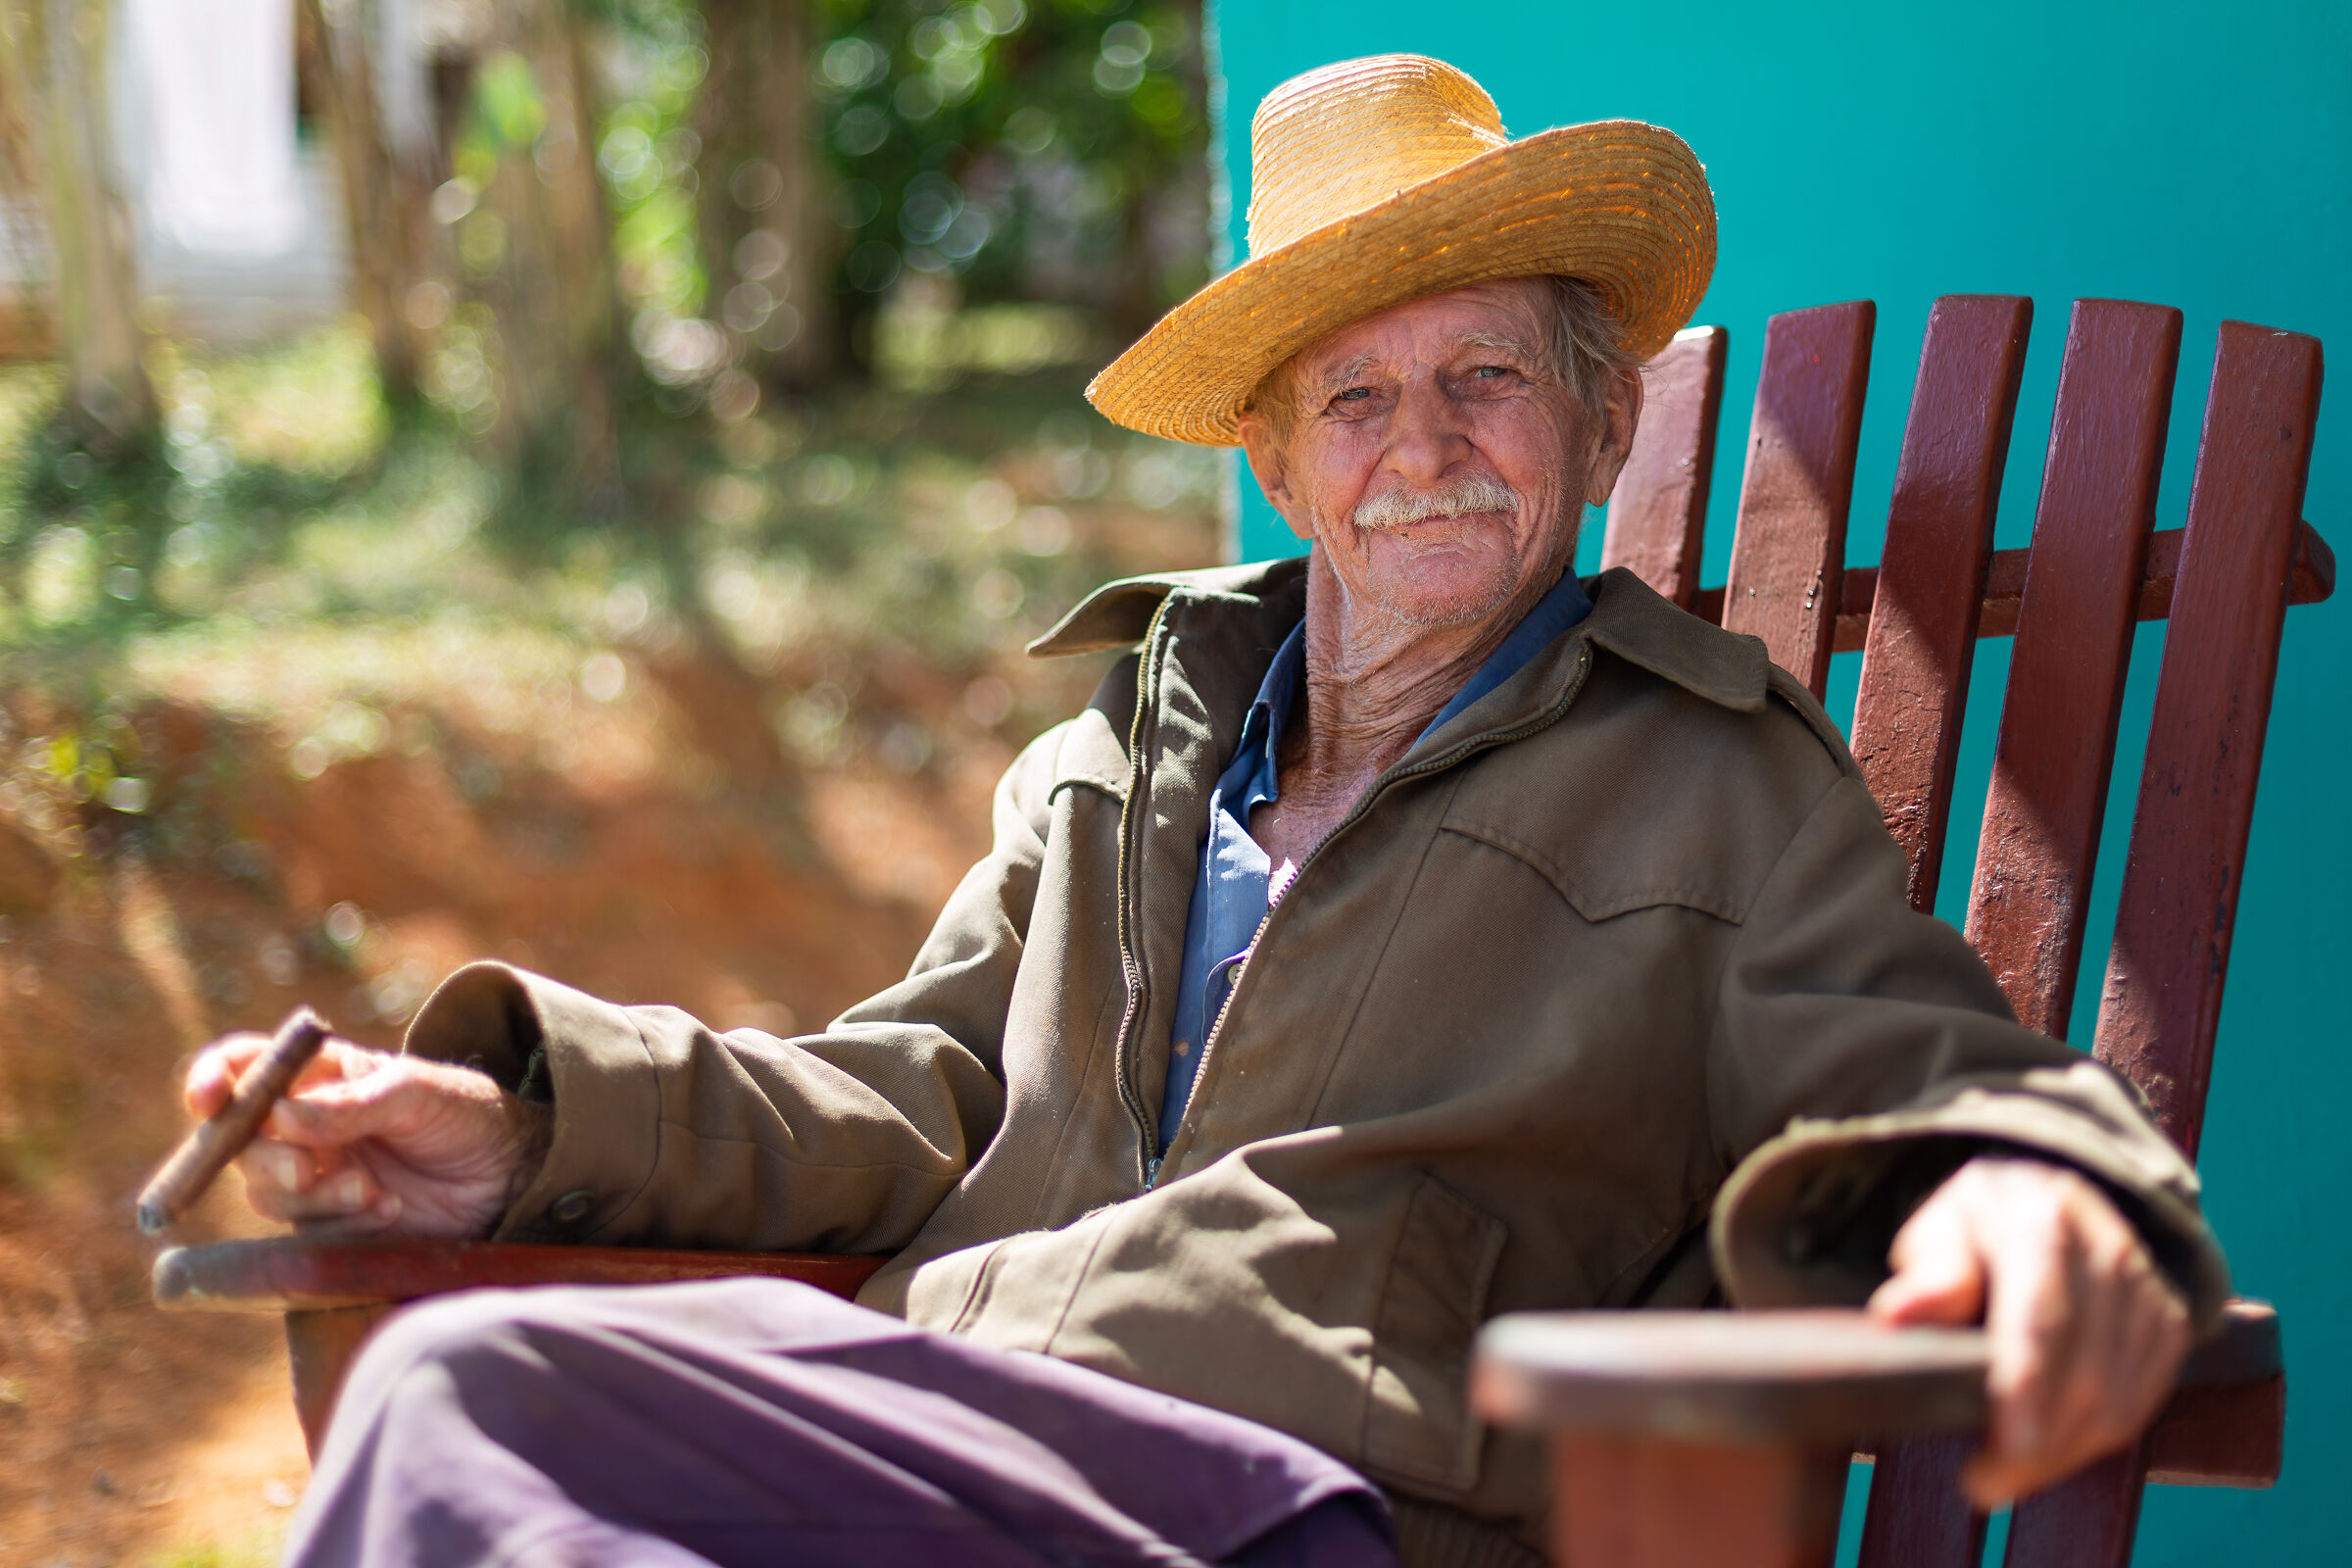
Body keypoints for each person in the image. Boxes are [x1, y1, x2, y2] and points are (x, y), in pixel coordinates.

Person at [187, 55, 2219, 1568]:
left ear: (1604, 427)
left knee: (465, 1394)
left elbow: (1919, 1057)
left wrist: (2023, 1186)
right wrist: (522, 1131)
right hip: (964, 1435)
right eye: (1357, 396)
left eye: (1490, 380)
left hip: (1315, 1501)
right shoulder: (1125, 754)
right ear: (1274, 456)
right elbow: (914, 1096)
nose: (1423, 449)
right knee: (489, 1445)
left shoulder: (1710, 780)